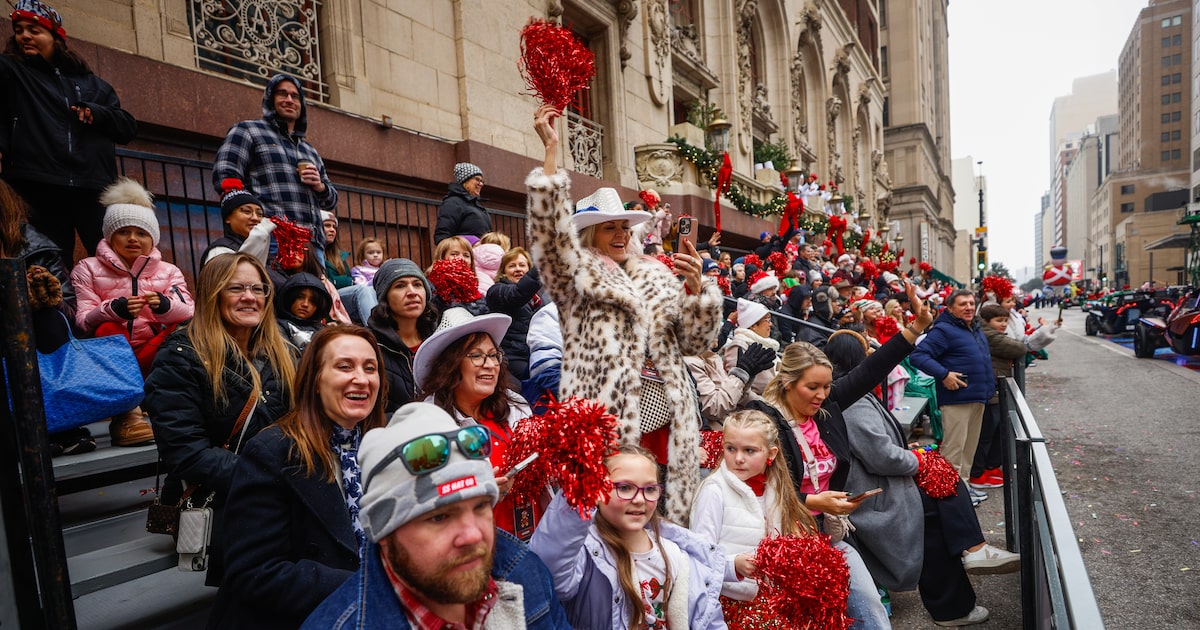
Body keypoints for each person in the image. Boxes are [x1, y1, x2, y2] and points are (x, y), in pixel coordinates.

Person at [528, 104, 721, 522]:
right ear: (589, 233)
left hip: (669, 422)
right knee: (616, 530)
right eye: (608, 226)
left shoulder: (652, 273)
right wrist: (551, 153)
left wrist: (695, 290)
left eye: (624, 227)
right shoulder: (576, 277)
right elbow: (548, 233)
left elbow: (695, 343)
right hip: (612, 423)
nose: (619, 234)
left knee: (667, 529)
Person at [744, 281, 935, 630]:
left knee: (872, 614)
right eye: (811, 387)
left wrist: (916, 328)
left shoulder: (827, 408)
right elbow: (756, 489)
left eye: (827, 386)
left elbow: (872, 368)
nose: (821, 395)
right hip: (783, 541)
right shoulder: (764, 420)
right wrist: (814, 500)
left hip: (830, 534)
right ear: (788, 383)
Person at [302, 402, 569, 629]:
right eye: (439, 517)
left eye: (480, 507)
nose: (473, 535)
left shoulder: (526, 572)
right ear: (384, 532)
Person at [823, 331, 1017, 627]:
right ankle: (961, 585)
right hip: (873, 497)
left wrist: (919, 456)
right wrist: (919, 459)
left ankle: (970, 562)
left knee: (943, 483)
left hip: (881, 485)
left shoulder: (854, 394)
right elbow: (882, 457)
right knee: (938, 500)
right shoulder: (853, 402)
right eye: (867, 350)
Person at [210, 326, 387, 628]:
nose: (361, 378)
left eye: (370, 368)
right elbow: (256, 573)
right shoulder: (272, 452)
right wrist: (369, 586)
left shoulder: (385, 445)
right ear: (316, 381)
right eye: (345, 366)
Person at [143, 252, 295, 584]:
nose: (250, 297)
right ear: (213, 294)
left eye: (258, 288)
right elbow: (188, 454)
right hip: (220, 498)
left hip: (280, 487)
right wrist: (269, 478)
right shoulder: (180, 356)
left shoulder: (281, 350)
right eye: (236, 288)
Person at [530, 445, 725, 629]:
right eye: (624, 488)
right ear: (597, 491)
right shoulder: (583, 554)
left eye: (649, 489)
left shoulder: (678, 557)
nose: (639, 499)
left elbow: (708, 619)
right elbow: (548, 572)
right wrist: (576, 496)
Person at [0, 0, 137, 259]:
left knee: (112, 259)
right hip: (40, 185)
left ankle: (118, 302)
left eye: (34, 29)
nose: (24, 36)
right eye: (18, 29)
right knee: (52, 261)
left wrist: (98, 113)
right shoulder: (12, 71)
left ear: (56, 37)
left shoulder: (93, 84)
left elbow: (128, 127)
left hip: (92, 186)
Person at [71, 178, 194, 446]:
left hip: (152, 354)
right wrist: (113, 309)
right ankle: (127, 415)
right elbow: (82, 323)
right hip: (110, 359)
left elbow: (188, 311)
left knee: (187, 329)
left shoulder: (169, 271)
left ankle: (179, 403)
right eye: (124, 232)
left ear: (153, 238)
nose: (133, 239)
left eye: (141, 233)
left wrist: (163, 306)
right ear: (110, 236)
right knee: (106, 328)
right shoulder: (87, 268)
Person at [413, 308, 542, 540]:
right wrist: (475, 493)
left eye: (494, 355)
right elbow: (422, 499)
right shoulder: (429, 425)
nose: (490, 364)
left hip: (535, 539)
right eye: (476, 355)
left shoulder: (517, 406)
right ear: (450, 364)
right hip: (475, 548)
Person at [689, 410, 821, 626]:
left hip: (771, 597)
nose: (738, 458)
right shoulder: (714, 491)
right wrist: (734, 565)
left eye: (750, 451)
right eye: (731, 449)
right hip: (729, 601)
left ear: (771, 454)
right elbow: (699, 555)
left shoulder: (776, 488)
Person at [1, 178, 89, 454]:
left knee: (49, 320)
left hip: (34, 343)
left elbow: (71, 314)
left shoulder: (36, 247)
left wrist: (42, 299)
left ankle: (60, 424)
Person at [212, 74, 337, 256]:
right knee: (272, 286)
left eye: (295, 96)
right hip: (273, 238)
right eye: (282, 94)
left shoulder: (310, 150)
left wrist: (319, 186)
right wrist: (251, 221)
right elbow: (225, 176)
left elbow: (331, 200)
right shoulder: (248, 131)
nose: (289, 100)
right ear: (270, 99)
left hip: (312, 243)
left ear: (301, 105)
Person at [908, 289, 994, 488]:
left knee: (968, 451)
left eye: (971, 303)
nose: (969, 307)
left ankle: (963, 490)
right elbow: (918, 356)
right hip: (957, 399)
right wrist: (944, 374)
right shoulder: (944, 330)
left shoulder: (974, 327)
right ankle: (949, 494)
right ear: (950, 308)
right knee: (954, 451)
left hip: (978, 397)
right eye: (963, 304)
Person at [366, 259, 439, 412]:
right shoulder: (369, 345)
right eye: (400, 286)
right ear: (385, 297)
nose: (412, 292)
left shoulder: (440, 337)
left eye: (418, 284)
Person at [969, 303, 1029, 490]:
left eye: (1005, 320)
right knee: (986, 435)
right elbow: (1018, 348)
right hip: (990, 390)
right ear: (986, 321)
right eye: (999, 320)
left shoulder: (988, 332)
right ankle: (978, 474)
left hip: (996, 389)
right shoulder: (987, 334)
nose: (1003, 324)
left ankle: (990, 468)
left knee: (997, 433)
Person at [485, 246, 543, 381]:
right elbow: (517, 294)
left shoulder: (540, 298)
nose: (518, 269)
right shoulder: (496, 291)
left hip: (536, 354)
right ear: (503, 271)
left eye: (522, 265)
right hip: (513, 358)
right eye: (512, 266)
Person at [200, 185, 276, 266]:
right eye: (247, 211)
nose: (255, 218)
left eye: (260, 214)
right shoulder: (218, 252)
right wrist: (258, 237)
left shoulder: (269, 257)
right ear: (228, 218)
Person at [722, 298, 780, 396]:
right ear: (753, 325)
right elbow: (738, 386)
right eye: (767, 320)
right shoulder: (738, 346)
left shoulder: (764, 344)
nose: (771, 324)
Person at [434, 163, 492, 244]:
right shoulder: (453, 203)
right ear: (465, 180)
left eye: (482, 181)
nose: (481, 184)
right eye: (477, 179)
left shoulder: (477, 206)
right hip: (466, 255)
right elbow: (442, 237)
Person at [274, 271, 332, 352]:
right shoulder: (273, 327)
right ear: (289, 297)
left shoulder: (324, 332)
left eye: (312, 301)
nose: (305, 304)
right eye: (300, 297)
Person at [321, 211, 352, 289]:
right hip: (324, 295)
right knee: (361, 290)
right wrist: (344, 281)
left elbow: (351, 280)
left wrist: (334, 281)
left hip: (341, 294)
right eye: (327, 225)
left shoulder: (340, 255)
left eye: (334, 227)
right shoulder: (310, 253)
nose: (332, 230)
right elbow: (320, 282)